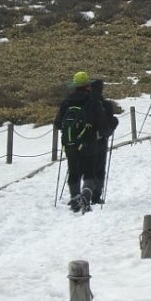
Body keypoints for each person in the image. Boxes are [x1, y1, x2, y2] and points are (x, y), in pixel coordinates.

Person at [54, 71, 109, 212]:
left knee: (73, 172)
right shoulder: (93, 102)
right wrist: (105, 132)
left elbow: (58, 124)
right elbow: (102, 125)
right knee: (89, 173)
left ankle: (74, 200)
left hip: (70, 144)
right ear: (87, 86)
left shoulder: (66, 102)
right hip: (89, 144)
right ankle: (86, 195)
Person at [90, 78, 119, 205]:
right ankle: (95, 196)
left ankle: (80, 192)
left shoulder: (83, 103)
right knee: (99, 169)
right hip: (99, 141)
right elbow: (107, 126)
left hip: (83, 141)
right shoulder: (105, 104)